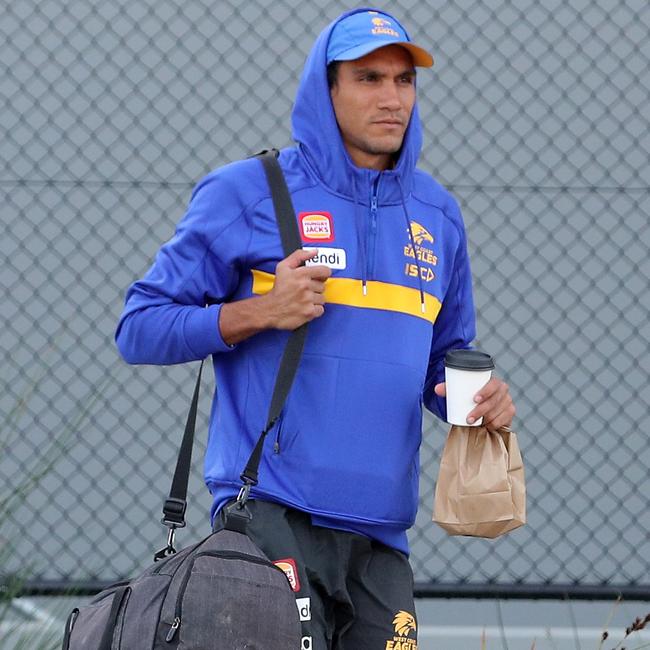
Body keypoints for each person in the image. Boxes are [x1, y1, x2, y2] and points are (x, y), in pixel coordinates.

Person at [116, 7, 515, 649]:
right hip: (273, 513)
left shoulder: (438, 214)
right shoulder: (249, 191)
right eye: (368, 78)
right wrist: (260, 312)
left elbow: (447, 357)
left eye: (403, 80)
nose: (392, 98)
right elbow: (139, 327)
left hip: (382, 533)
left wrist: (480, 399)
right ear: (325, 88)